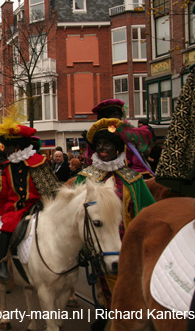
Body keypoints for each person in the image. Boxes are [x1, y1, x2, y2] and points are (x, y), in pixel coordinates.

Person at [74, 118, 155, 319]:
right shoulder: (86, 176)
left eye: (107, 143)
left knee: (129, 287)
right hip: (99, 244)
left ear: (117, 148)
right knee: (103, 287)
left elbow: (149, 212)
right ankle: (105, 316)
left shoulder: (132, 178)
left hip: (127, 245)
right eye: (98, 144)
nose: (102, 147)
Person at [0, 106, 61, 281]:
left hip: (39, 206)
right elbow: (3, 193)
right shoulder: (7, 167)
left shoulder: (38, 162)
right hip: (16, 209)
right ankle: (3, 262)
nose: (5, 150)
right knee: (7, 227)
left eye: (8, 146)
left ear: (17, 146)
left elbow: (51, 188)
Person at [86, 99, 154, 177]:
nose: (117, 118)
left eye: (118, 115)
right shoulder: (95, 137)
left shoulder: (126, 137)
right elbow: (89, 160)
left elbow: (137, 161)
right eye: (114, 115)